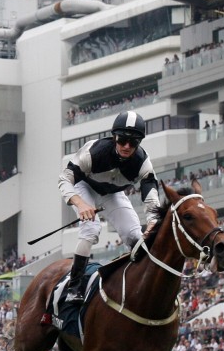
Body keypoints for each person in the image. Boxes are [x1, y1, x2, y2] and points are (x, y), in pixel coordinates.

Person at [58, 111, 160, 303]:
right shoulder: (94, 153)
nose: (127, 146)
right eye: (122, 140)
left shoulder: (142, 162)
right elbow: (65, 178)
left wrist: (153, 221)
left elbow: (150, 192)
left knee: (134, 235)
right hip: (83, 186)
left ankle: (141, 283)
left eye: (134, 142)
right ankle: (75, 286)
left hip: (112, 193)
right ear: (114, 136)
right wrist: (80, 204)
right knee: (91, 228)